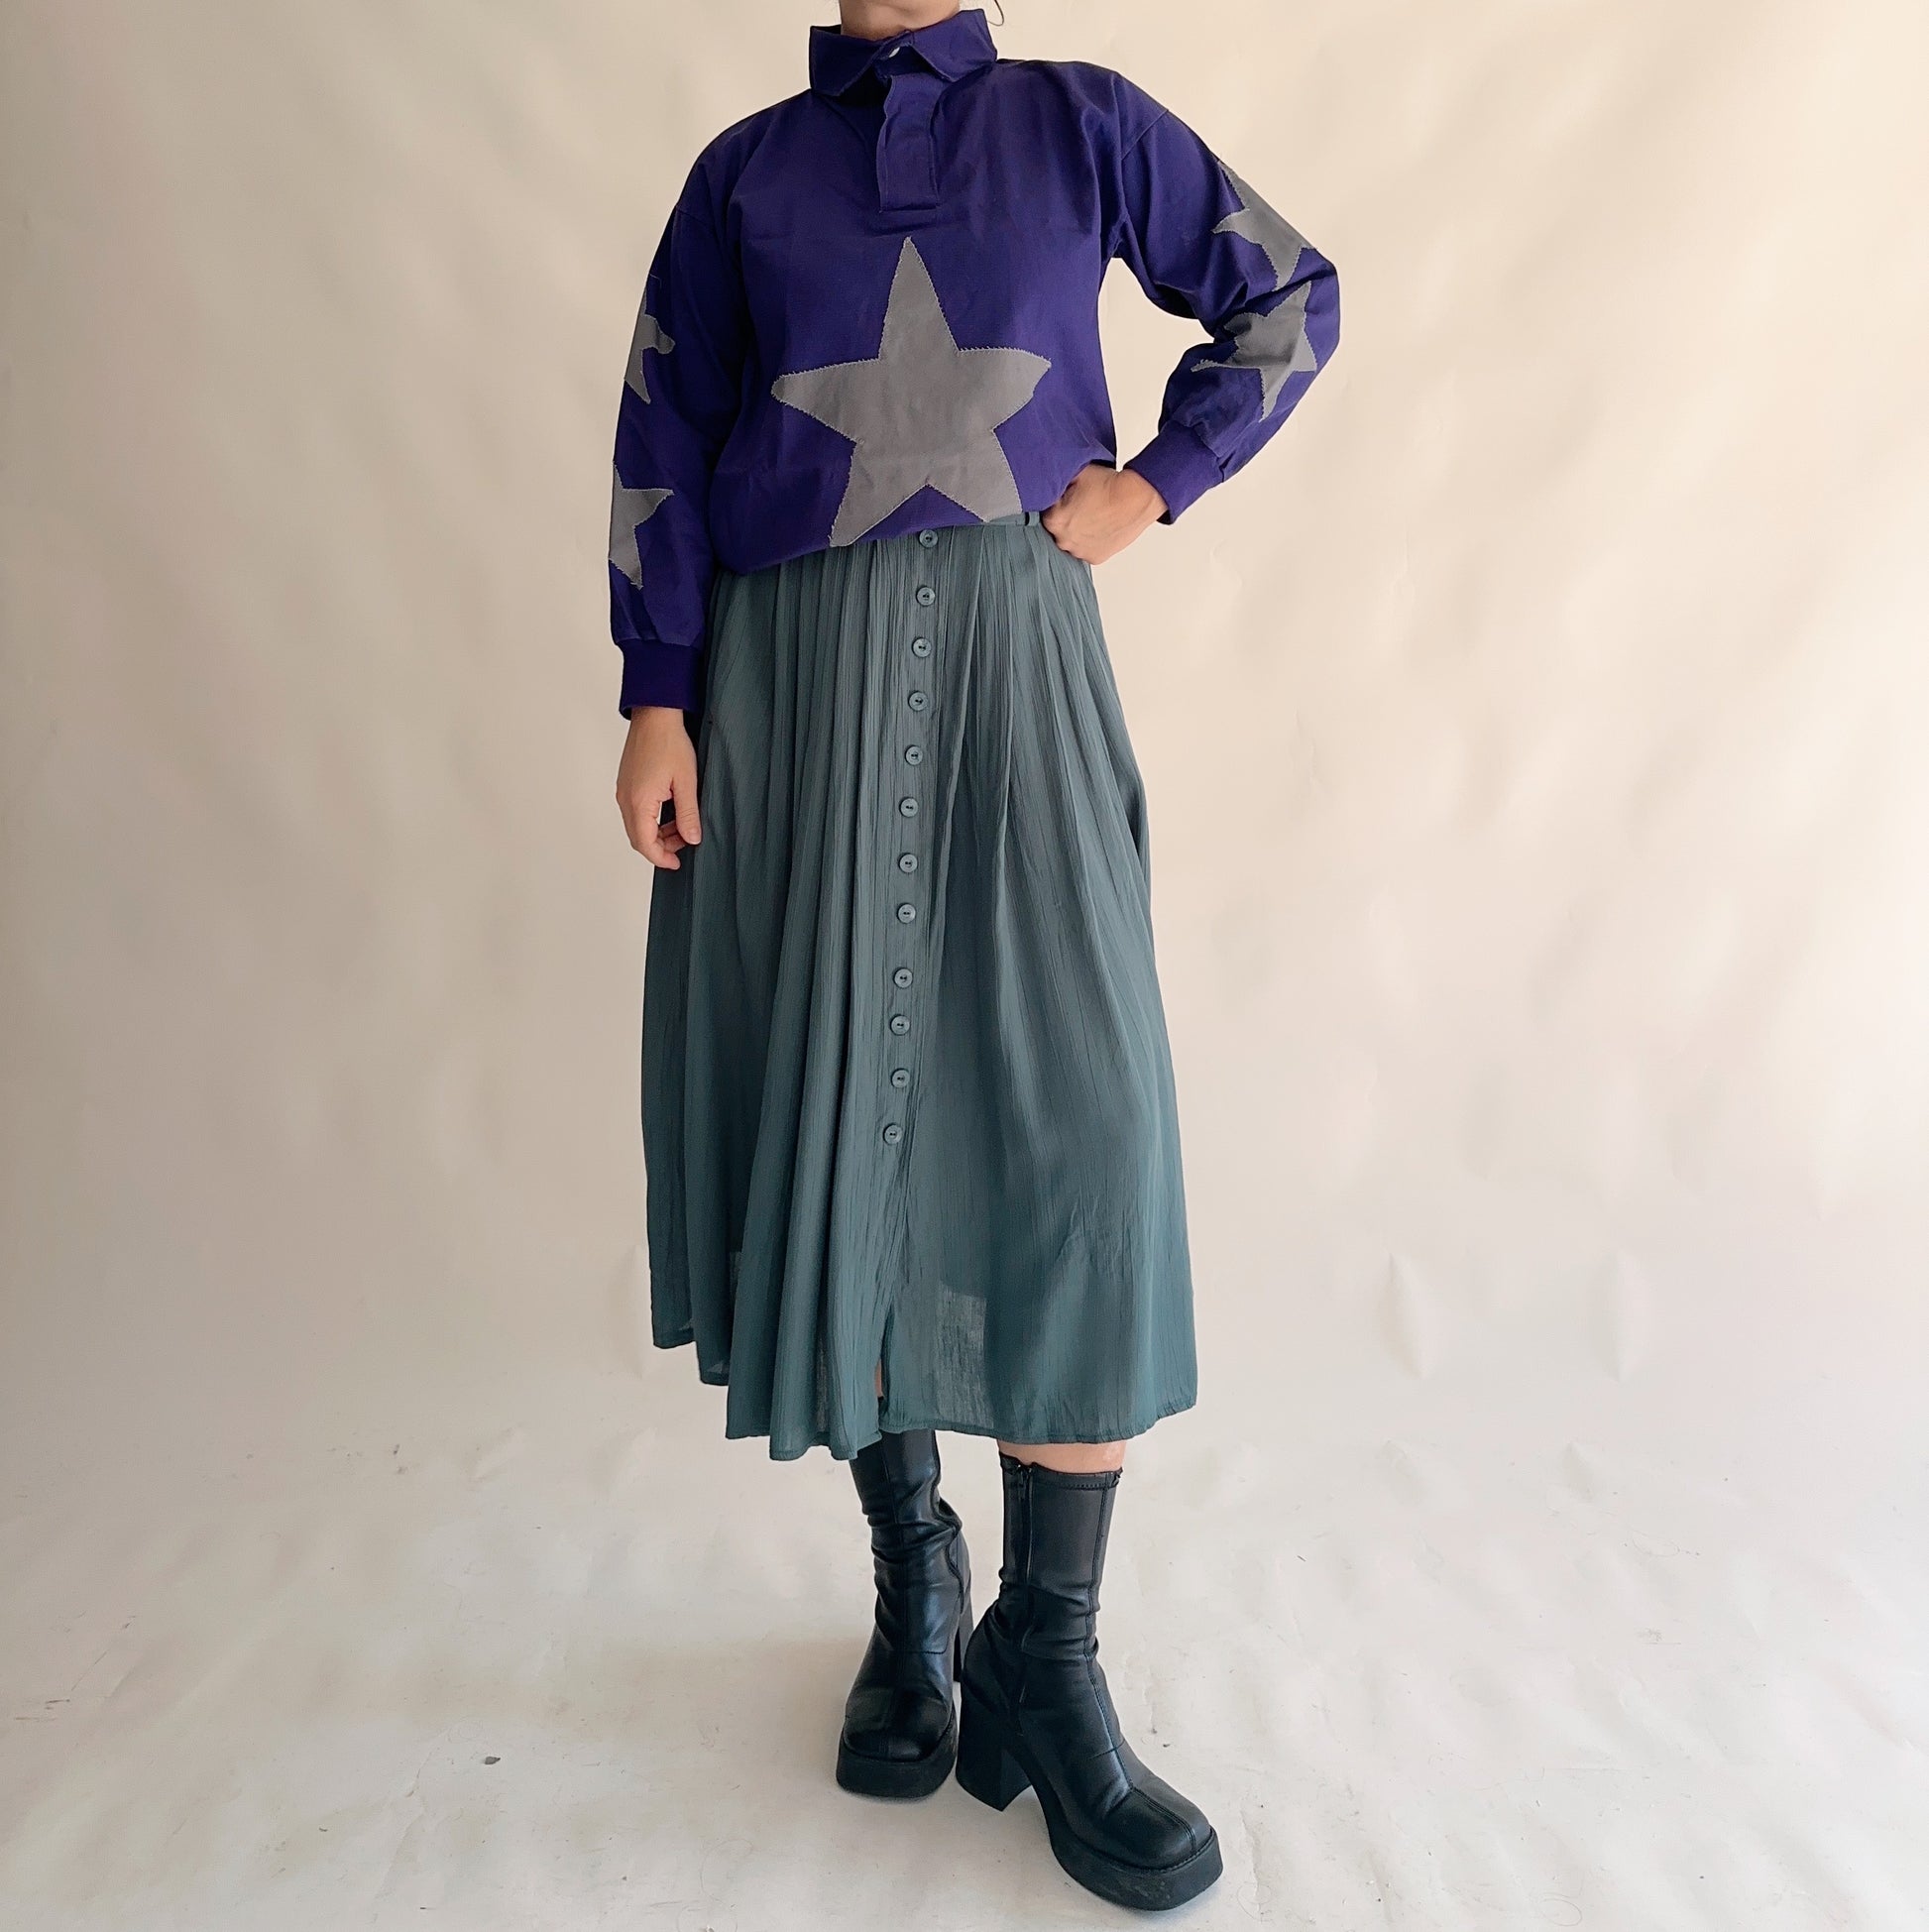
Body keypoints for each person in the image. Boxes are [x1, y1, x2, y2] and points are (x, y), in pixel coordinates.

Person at [608, 1, 1337, 1909]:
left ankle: (1049, 1653)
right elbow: (663, 428)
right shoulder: (744, 176)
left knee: (1083, 1128)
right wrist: (658, 693)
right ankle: (911, 1576)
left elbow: (1287, 292)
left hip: (1021, 659)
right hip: (787, 690)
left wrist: (1157, 478)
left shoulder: (1080, 124)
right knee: (848, 1112)